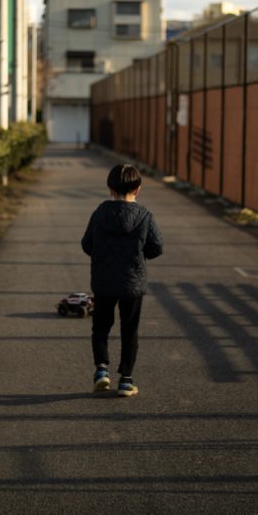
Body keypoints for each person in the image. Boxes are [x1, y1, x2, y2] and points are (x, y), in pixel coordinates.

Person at [81, 163, 163, 397]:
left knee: (101, 327)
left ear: (110, 188)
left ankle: (101, 371)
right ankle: (126, 380)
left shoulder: (100, 213)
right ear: (137, 190)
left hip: (104, 280)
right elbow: (156, 247)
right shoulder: (145, 215)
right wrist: (140, 254)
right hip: (132, 283)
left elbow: (87, 244)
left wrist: (102, 254)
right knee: (129, 330)